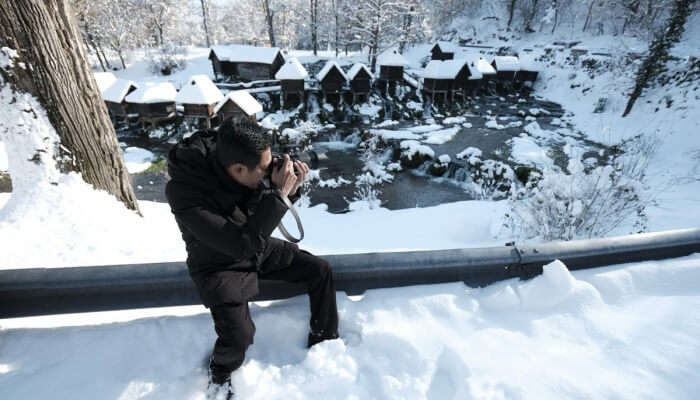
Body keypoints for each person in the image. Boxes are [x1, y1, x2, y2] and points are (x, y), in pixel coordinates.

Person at [165, 119, 339, 396]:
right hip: (218, 263)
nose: (269, 171)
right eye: (264, 169)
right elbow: (239, 245)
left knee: (320, 270)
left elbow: (256, 218)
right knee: (239, 336)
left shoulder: (242, 161)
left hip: (255, 244)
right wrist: (279, 195)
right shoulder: (185, 191)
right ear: (237, 169)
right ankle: (220, 373)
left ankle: (325, 341)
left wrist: (289, 190)